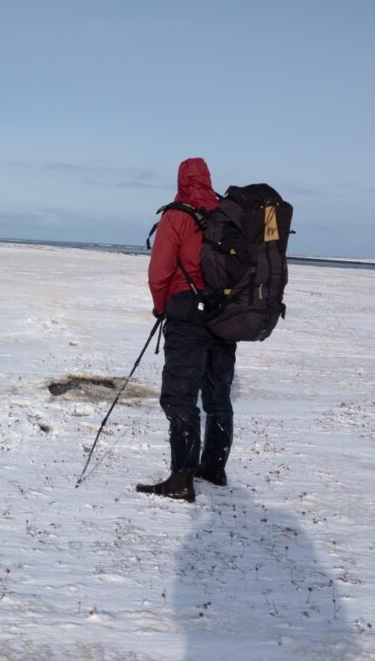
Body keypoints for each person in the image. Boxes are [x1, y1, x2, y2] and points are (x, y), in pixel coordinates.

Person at [137, 157, 236, 503]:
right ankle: (214, 468)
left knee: (180, 396)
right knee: (217, 394)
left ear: (181, 180)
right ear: (208, 179)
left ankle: (182, 477)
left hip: (186, 315)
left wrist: (161, 307)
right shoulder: (227, 215)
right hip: (224, 317)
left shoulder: (177, 216)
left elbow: (159, 272)